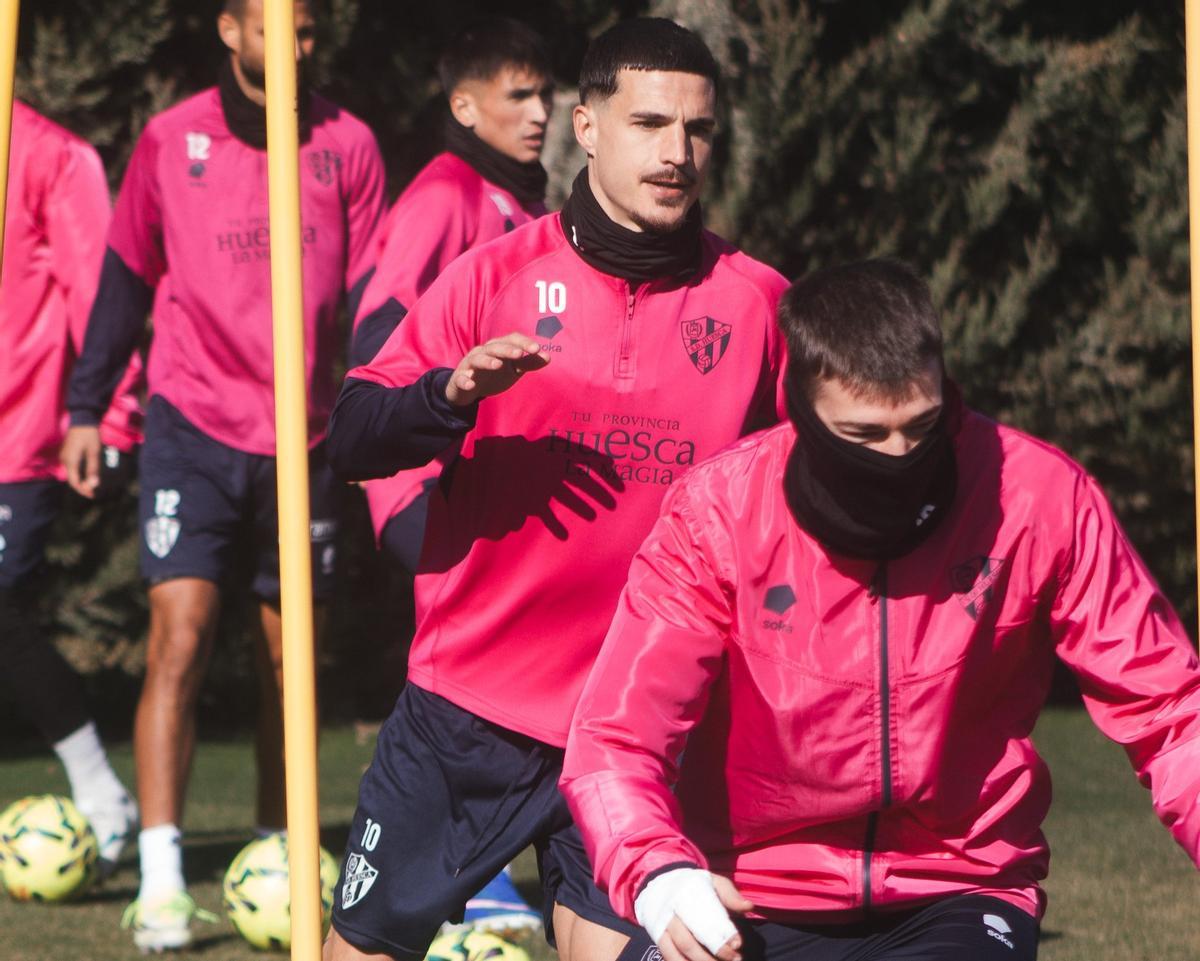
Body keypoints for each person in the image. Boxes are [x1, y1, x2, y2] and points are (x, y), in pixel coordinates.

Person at [560, 259, 1200, 961]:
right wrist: (656, 871)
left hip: (959, 884)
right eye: (865, 436)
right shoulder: (717, 512)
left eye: (921, 427)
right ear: (801, 408)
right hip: (747, 885)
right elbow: (617, 739)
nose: (898, 456)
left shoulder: (1041, 497)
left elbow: (1171, 710)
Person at [322, 18, 788, 961]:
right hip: (470, 708)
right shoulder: (492, 277)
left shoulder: (758, 302)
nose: (676, 152)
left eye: (697, 130)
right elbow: (352, 437)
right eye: (650, 123)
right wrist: (447, 395)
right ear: (586, 126)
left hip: (641, 723)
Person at [60, 0, 386, 950]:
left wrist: (377, 416)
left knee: (293, 665)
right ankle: (161, 875)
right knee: (182, 638)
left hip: (308, 435)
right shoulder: (170, 140)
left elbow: (374, 296)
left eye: (311, 29)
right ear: (231, 30)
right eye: (276, 24)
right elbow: (124, 277)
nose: (295, 43)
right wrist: (87, 409)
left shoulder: (349, 144)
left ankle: (274, 854)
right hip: (192, 424)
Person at [350, 17, 555, 935]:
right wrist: (432, 427)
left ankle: (519, 864)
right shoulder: (442, 197)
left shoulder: (524, 199)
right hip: (420, 484)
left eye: (546, 93)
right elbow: (374, 340)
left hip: (485, 479)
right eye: (519, 96)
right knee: (476, 658)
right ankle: (471, 876)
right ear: (464, 106)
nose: (542, 112)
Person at [0, 99, 143, 878]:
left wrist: (113, 418)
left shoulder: (52, 155)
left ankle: (101, 793)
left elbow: (100, 294)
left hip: (16, 435)